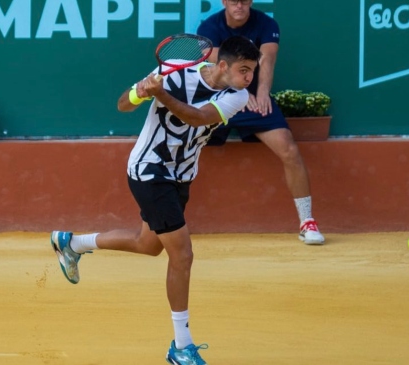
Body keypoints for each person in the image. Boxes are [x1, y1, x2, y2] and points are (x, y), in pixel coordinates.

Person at [50, 35, 260, 365]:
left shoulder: (237, 95)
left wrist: (161, 93)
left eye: (252, 71)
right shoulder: (174, 72)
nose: (249, 78)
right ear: (223, 65)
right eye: (244, 70)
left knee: (148, 244)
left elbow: (197, 117)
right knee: (183, 255)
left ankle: (72, 243)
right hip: (150, 170)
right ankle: (181, 346)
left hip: (181, 177)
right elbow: (123, 104)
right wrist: (141, 91)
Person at [197, 0, 325, 245]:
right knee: (181, 147)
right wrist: (239, 97)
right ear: (224, 2)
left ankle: (307, 222)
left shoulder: (266, 24)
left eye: (245, 0)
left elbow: (267, 59)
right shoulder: (208, 28)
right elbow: (221, 68)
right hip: (217, 100)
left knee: (288, 147)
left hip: (256, 103)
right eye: (234, 0)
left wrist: (263, 92)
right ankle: (166, 222)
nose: (239, 5)